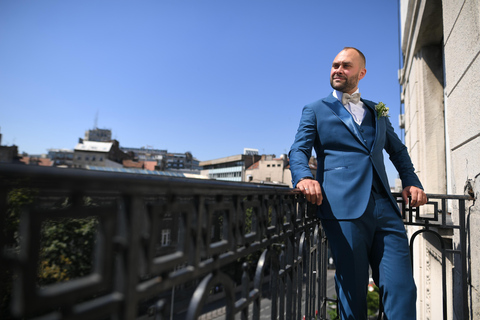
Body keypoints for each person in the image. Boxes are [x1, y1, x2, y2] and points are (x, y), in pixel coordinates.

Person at [289, 47, 427, 319]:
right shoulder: (315, 109)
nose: (337, 69)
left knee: (403, 290)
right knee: (352, 295)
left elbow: (397, 151)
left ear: (361, 73)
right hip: (344, 211)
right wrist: (304, 176)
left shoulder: (379, 110)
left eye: (346, 66)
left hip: (386, 209)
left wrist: (412, 181)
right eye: (334, 64)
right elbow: (298, 150)